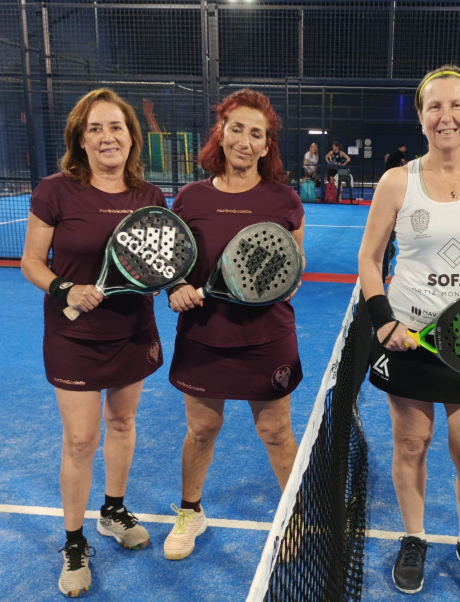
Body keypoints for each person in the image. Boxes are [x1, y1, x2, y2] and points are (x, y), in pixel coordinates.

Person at [358, 65, 460, 598]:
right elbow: (370, 259)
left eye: (456, 105)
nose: (446, 116)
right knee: (411, 444)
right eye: (434, 107)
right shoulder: (397, 181)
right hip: (409, 339)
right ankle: (414, 537)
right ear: (421, 118)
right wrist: (384, 322)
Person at [20, 88, 166, 597]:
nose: (107, 137)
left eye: (116, 127)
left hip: (131, 331)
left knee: (122, 422)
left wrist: (166, 283)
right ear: (80, 140)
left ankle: (113, 510)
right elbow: (31, 262)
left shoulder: (149, 197)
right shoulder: (54, 191)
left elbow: (155, 264)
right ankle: (74, 540)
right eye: (95, 129)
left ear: (131, 136)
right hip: (74, 334)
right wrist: (66, 288)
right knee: (81, 439)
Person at [163, 89, 306, 561]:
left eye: (256, 134)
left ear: (267, 146)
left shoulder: (284, 199)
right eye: (237, 129)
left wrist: (288, 280)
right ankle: (190, 512)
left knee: (276, 433)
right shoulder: (191, 198)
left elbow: (293, 263)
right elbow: (175, 262)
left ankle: (294, 517)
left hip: (267, 338)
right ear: (221, 134)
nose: (245, 141)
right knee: (202, 429)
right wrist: (176, 288)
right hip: (204, 337)